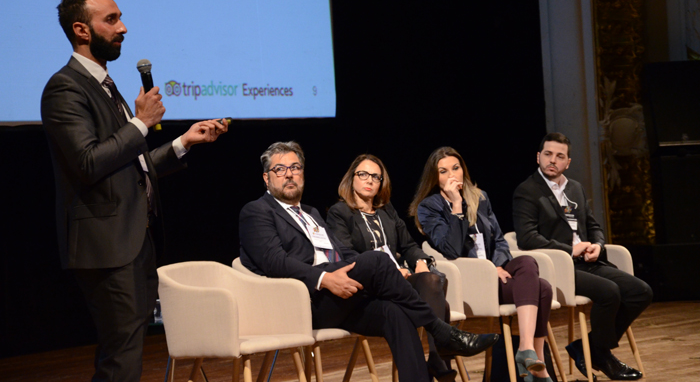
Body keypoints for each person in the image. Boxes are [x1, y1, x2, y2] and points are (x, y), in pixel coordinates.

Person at [41, 0, 228, 382]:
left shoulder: (107, 86)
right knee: (121, 355)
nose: (123, 27)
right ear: (81, 30)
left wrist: (182, 142)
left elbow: (131, 166)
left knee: (127, 348)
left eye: (121, 17)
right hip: (106, 246)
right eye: (111, 20)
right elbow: (89, 163)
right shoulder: (65, 88)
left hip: (136, 240)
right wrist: (140, 122)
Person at [239, 141, 499, 382]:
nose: (289, 174)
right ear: (267, 177)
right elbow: (275, 261)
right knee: (377, 261)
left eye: (295, 167)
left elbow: (343, 252)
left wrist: (357, 270)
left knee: (395, 313)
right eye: (280, 169)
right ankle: (441, 332)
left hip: (340, 296)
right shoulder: (256, 211)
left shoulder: (311, 212)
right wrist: (325, 278)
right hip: (304, 299)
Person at [513, 133, 652, 381]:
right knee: (609, 292)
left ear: (568, 162)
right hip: (557, 268)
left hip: (588, 262)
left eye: (559, 156)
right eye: (547, 154)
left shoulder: (574, 187)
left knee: (641, 291)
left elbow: (593, 226)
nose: (552, 160)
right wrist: (569, 250)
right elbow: (527, 238)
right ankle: (601, 354)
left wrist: (598, 245)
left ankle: (591, 348)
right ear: (538, 157)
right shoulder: (527, 191)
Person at [410, 146, 554, 382]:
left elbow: (499, 240)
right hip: (469, 282)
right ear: (435, 178)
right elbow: (451, 249)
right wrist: (456, 205)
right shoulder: (429, 207)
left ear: (463, 169)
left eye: (456, 168)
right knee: (543, 288)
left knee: (528, 262)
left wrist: (496, 266)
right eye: (443, 171)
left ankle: (527, 349)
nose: (452, 175)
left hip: (494, 275)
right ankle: (534, 360)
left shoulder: (480, 197)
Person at [326, 154, 456, 382]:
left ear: (381, 183)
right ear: (352, 178)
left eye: (376, 177)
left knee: (431, 280)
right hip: (368, 287)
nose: (369, 180)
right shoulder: (340, 213)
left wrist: (421, 262)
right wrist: (393, 271)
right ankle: (440, 361)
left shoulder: (387, 211)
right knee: (440, 304)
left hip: (401, 281)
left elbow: (408, 245)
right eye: (363, 174)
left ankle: (435, 358)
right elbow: (347, 256)